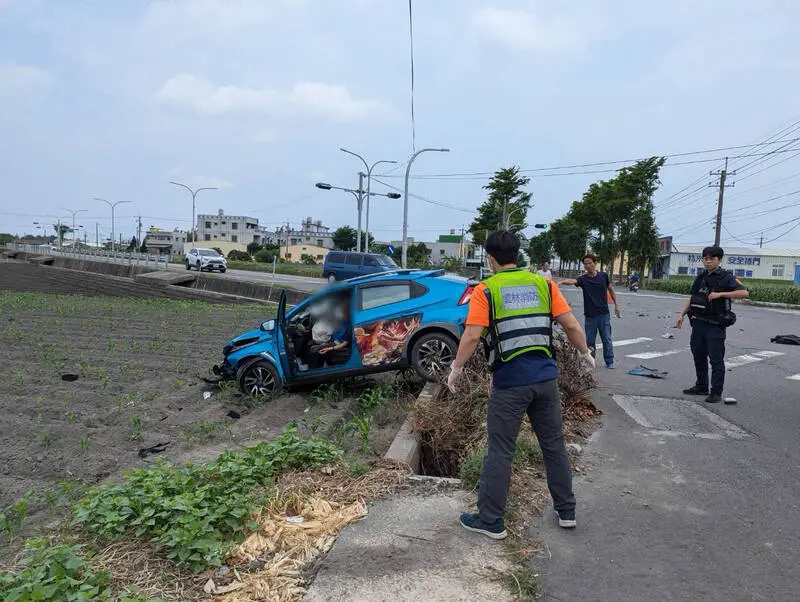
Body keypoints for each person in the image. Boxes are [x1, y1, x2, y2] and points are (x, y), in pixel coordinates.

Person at [447, 230, 595, 539]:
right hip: (545, 379)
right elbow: (570, 324)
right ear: (518, 255)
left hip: (510, 382)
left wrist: (456, 368)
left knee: (500, 450)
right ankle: (566, 510)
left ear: (490, 259)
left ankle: (490, 520)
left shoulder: (486, 290)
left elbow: (472, 336)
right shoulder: (543, 284)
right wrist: (585, 353)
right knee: (554, 445)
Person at [675, 246, 749, 404]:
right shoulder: (700, 277)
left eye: (712, 258)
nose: (708, 261)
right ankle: (701, 386)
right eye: (705, 258)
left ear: (719, 260)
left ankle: (716, 392)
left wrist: (721, 294)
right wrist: (681, 314)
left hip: (715, 325)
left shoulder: (726, 277)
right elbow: (692, 296)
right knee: (698, 355)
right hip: (698, 323)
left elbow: (744, 293)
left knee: (716, 359)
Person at [558, 254, 621, 369]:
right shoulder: (583, 279)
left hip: (604, 314)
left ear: (595, 263)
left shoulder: (603, 276)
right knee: (590, 341)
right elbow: (573, 281)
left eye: (589, 263)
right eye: (585, 264)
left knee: (607, 339)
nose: (587, 265)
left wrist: (616, 306)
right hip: (590, 316)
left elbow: (611, 290)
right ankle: (591, 361)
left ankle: (609, 361)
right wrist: (562, 282)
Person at [307, 298, 351, 369]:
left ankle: (313, 372)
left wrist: (330, 348)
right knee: (310, 343)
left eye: (343, 309)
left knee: (313, 350)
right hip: (330, 339)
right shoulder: (340, 320)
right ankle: (319, 365)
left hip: (336, 343)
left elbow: (344, 344)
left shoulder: (350, 325)